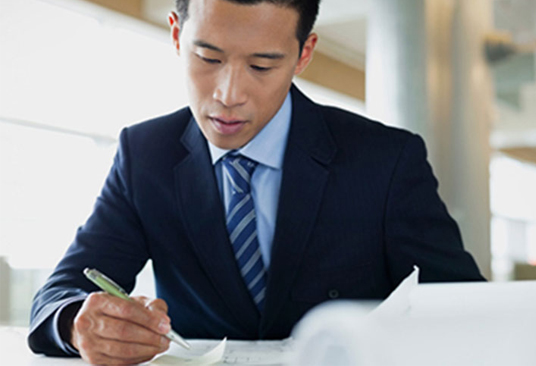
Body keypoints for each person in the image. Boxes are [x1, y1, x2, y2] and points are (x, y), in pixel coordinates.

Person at [28, 0, 485, 363]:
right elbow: (59, 294)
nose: (228, 96)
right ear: (175, 34)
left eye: (262, 67)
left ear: (303, 54)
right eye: (208, 57)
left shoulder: (384, 160)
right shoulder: (145, 154)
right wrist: (78, 323)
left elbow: (463, 307)